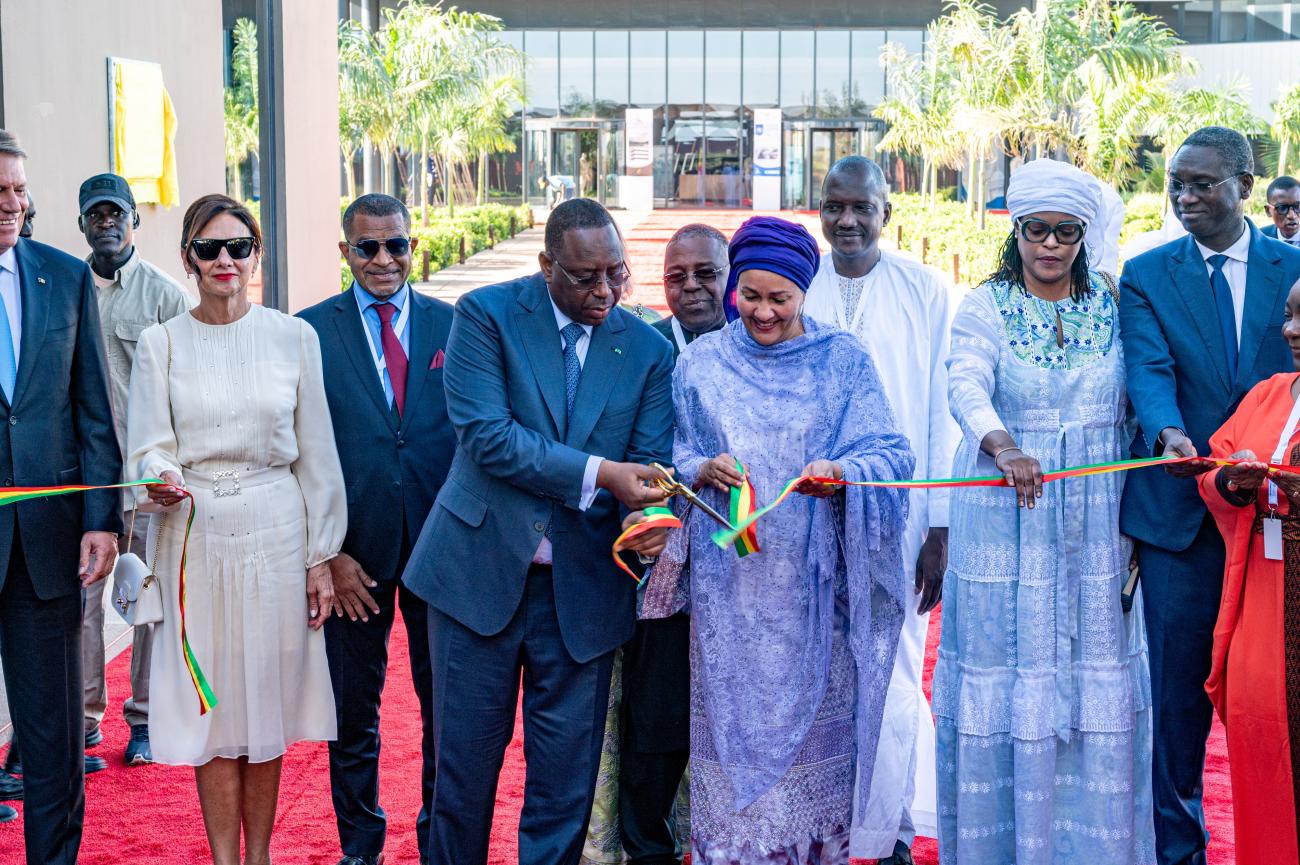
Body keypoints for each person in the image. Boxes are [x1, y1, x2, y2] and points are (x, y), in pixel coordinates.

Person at [401, 198, 675, 865]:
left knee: (564, 792)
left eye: (617, 272)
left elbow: (649, 463)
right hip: (475, 580)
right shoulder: (485, 315)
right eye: (585, 277)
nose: (605, 291)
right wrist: (605, 474)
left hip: (583, 594)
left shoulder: (647, 348)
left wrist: (648, 519)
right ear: (546, 264)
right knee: (461, 781)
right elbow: (488, 439)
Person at [639, 215, 914, 863]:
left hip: (816, 598)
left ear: (804, 294)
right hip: (729, 597)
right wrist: (700, 470)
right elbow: (674, 457)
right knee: (734, 760)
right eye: (751, 295)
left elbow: (891, 453)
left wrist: (844, 472)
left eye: (779, 298)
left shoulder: (842, 361)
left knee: (816, 763)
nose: (762, 311)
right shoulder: (702, 362)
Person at [936, 158, 1154, 864]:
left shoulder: (1113, 305)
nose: (1051, 245)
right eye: (1037, 230)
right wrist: (1002, 445)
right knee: (1008, 684)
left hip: (1096, 531)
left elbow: (1141, 394)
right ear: (1017, 231)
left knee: (1098, 679)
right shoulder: (984, 305)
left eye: (1066, 232)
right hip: (1008, 519)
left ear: (1084, 236)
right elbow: (965, 385)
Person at [127, 193, 345, 865]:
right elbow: (145, 448)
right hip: (195, 538)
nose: (227, 260)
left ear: (257, 255)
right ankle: (226, 860)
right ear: (187, 258)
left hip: (278, 534)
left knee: (266, 705)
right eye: (210, 248)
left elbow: (318, 454)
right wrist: (157, 475)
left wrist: (321, 555)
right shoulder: (160, 343)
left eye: (239, 247)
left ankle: (260, 857)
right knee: (214, 709)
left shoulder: (293, 337)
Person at [1120, 126, 1300, 865]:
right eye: (1177, 185)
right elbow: (1149, 370)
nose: (1187, 198)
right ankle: (1179, 854)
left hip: (1280, 542)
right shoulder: (1146, 272)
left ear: (1246, 187)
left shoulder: (1295, 267)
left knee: (1275, 707)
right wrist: (1168, 432)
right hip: (1181, 520)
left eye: (1203, 184)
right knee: (1177, 713)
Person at [802, 156, 959, 865]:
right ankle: (825, 821)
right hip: (807, 518)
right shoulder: (800, 286)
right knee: (818, 670)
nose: (847, 220)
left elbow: (939, 414)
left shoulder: (925, 290)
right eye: (835, 205)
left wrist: (941, 526)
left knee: (893, 672)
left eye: (861, 206)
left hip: (900, 521)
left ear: (886, 210)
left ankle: (892, 827)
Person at [298, 193, 456, 865]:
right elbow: (296, 450)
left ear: (413, 246)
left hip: (442, 553)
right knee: (352, 716)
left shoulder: (459, 324)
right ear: (346, 252)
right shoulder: (308, 331)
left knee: (446, 716)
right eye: (368, 247)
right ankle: (360, 847)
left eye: (396, 245)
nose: (384, 259)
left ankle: (437, 843)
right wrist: (325, 552)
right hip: (350, 558)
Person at [0, 129, 123, 864]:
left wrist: (102, 517)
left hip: (46, 545)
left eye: (17, 190)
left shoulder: (62, 276)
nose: (12, 205)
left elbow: (92, 408)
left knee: (51, 737)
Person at [596, 223, 728, 865]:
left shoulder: (753, 345)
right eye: (678, 276)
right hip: (659, 573)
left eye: (706, 272)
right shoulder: (643, 348)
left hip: (741, 569)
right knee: (656, 717)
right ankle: (648, 847)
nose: (693, 287)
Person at [76, 172, 192, 767]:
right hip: (86, 478)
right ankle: (85, 716)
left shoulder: (167, 297)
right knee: (85, 598)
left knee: (144, 598)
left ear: (134, 220)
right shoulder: (66, 291)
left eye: (115, 213)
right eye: (96, 215)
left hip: (145, 478)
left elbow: (185, 390)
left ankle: (143, 720)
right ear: (82, 225)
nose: (107, 223)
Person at [1196, 276, 1300, 865]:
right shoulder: (1268, 394)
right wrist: (1230, 482)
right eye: (1288, 316)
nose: (1292, 331)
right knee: (1263, 743)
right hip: (1262, 606)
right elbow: (1218, 458)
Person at [1263, 175, 1300, 247]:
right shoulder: (1259, 240)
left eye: (1297, 206)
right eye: (1283, 208)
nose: (1292, 216)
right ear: (1268, 211)